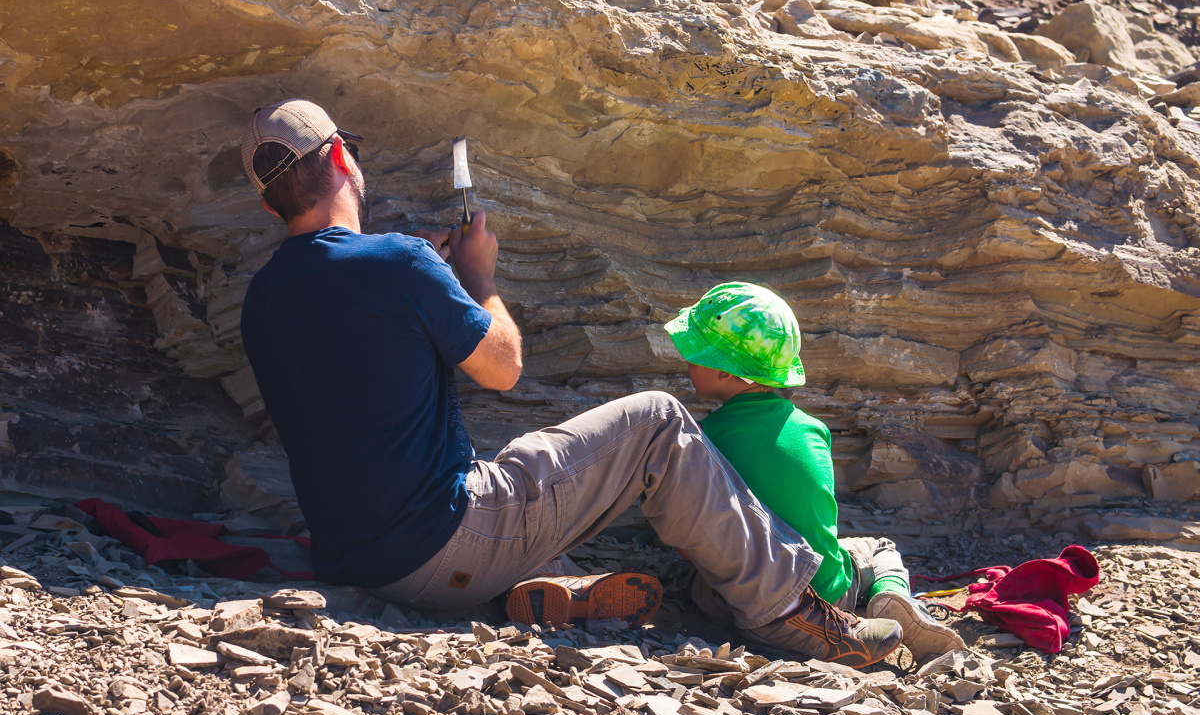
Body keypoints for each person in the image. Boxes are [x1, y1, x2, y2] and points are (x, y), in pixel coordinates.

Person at [237, 99, 904, 667]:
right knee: (657, 423)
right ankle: (791, 612)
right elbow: (502, 369)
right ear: (345, 160)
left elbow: (355, 357)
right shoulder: (401, 261)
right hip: (443, 541)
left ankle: (538, 592)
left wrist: (418, 279)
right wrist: (476, 281)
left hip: (355, 562)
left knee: (536, 483)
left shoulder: (262, 299)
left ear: (269, 209)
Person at [664, 282, 966, 665]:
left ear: (727, 373)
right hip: (823, 594)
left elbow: (687, 547)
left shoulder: (706, 438)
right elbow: (816, 516)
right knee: (879, 548)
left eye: (695, 356)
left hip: (731, 598)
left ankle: (882, 605)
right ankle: (891, 598)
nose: (686, 363)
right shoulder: (810, 429)